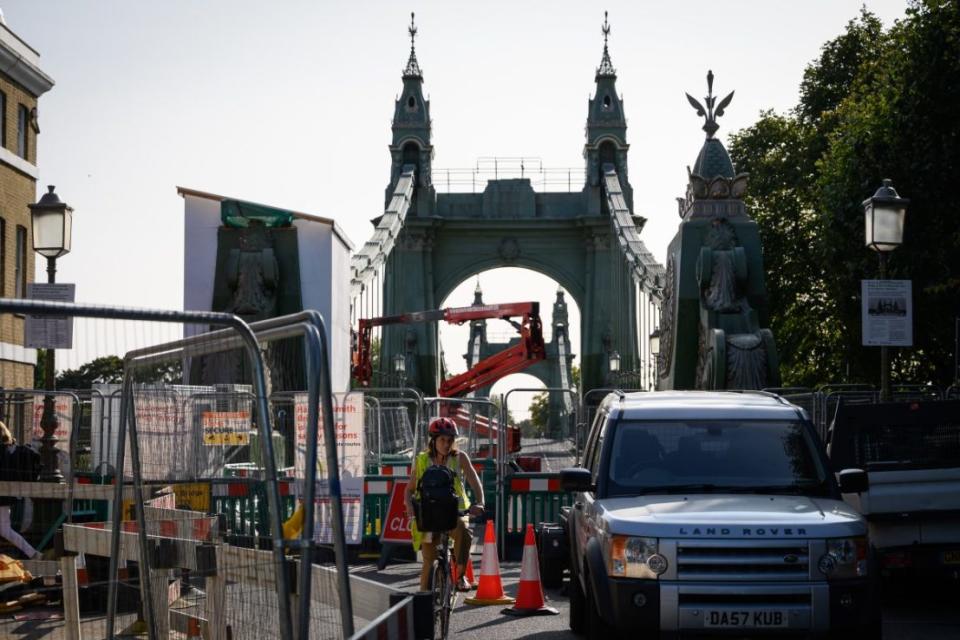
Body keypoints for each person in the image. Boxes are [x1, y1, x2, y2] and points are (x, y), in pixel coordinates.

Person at [404, 417, 485, 592]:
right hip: (429, 515)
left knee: (464, 532)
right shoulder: (422, 460)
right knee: (428, 561)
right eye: (442, 440)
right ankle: (424, 599)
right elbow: (409, 490)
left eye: (450, 440)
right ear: (433, 441)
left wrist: (481, 503)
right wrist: (410, 510)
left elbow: (474, 480)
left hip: (454, 513)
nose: (446, 444)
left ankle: (460, 576)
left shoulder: (459, 458)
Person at [0, 421, 40, 559]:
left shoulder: (3, 451)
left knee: (5, 530)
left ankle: (33, 553)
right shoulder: (11, 448)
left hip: (2, 497)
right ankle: (33, 554)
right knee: (5, 530)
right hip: (5, 497)